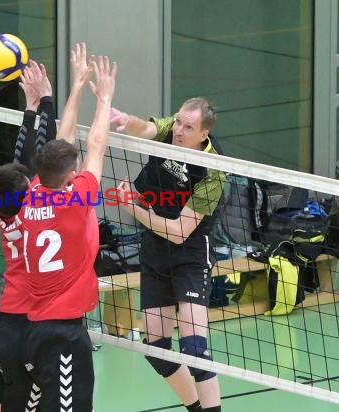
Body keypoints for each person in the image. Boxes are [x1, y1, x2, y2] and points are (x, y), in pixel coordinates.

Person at [0, 43, 93, 412]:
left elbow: (19, 164)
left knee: (1, 404)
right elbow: (47, 149)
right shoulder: (37, 203)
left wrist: (32, 108)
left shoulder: (7, 210)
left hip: (0, 330)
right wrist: (44, 101)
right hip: (30, 324)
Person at [111, 97, 225, 412]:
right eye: (177, 122)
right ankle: (196, 409)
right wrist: (125, 119)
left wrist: (132, 208)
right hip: (155, 251)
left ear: (203, 134)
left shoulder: (212, 172)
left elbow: (178, 231)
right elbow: (146, 127)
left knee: (194, 350)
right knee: (157, 349)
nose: (178, 130)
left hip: (189, 254)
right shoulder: (168, 132)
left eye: (188, 127)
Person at [20, 54, 117, 412]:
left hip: (40, 329)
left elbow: (64, 143)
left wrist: (75, 90)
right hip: (62, 335)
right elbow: (97, 145)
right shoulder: (76, 201)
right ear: (71, 174)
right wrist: (104, 97)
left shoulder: (32, 194)